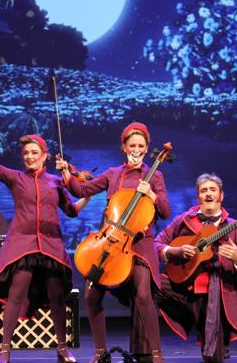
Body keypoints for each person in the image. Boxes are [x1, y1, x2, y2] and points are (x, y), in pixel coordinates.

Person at [0, 118, 89, 363]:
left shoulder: (56, 182)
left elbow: (71, 210)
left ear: (45, 156)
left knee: (57, 296)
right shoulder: (16, 178)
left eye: (34, 152)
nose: (29, 156)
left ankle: (62, 348)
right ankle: (5, 350)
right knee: (16, 295)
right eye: (26, 153)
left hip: (50, 246)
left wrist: (87, 196)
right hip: (23, 245)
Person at [56, 122, 170, 363]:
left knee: (142, 295)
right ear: (124, 147)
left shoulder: (155, 176)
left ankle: (157, 353)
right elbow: (81, 191)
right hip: (109, 243)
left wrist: (151, 195)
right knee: (91, 296)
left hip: (139, 244)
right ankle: (100, 352)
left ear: (147, 148)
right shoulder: (113, 173)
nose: (136, 149)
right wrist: (67, 174)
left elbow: (166, 211)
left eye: (141, 145)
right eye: (132, 145)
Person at [153, 173, 237, 363]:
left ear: (221, 196)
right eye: (203, 190)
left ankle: (218, 342)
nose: (208, 194)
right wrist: (175, 251)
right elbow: (156, 244)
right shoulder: (183, 221)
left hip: (216, 295)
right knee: (148, 282)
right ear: (198, 196)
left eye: (213, 190)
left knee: (212, 357)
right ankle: (151, 351)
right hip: (183, 288)